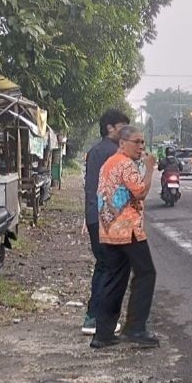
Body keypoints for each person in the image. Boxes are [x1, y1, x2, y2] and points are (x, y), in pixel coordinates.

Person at [91, 125, 159, 349]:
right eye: (136, 142)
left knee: (114, 279)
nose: (141, 147)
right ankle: (135, 328)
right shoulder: (125, 164)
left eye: (143, 143)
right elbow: (140, 192)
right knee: (146, 273)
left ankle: (103, 334)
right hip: (128, 229)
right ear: (122, 143)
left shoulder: (108, 163)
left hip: (109, 228)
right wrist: (149, 169)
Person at [81, 109, 130, 335]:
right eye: (122, 127)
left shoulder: (93, 152)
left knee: (103, 266)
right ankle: (99, 320)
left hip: (93, 216)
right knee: (112, 269)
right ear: (110, 128)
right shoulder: (116, 154)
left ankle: (92, 316)